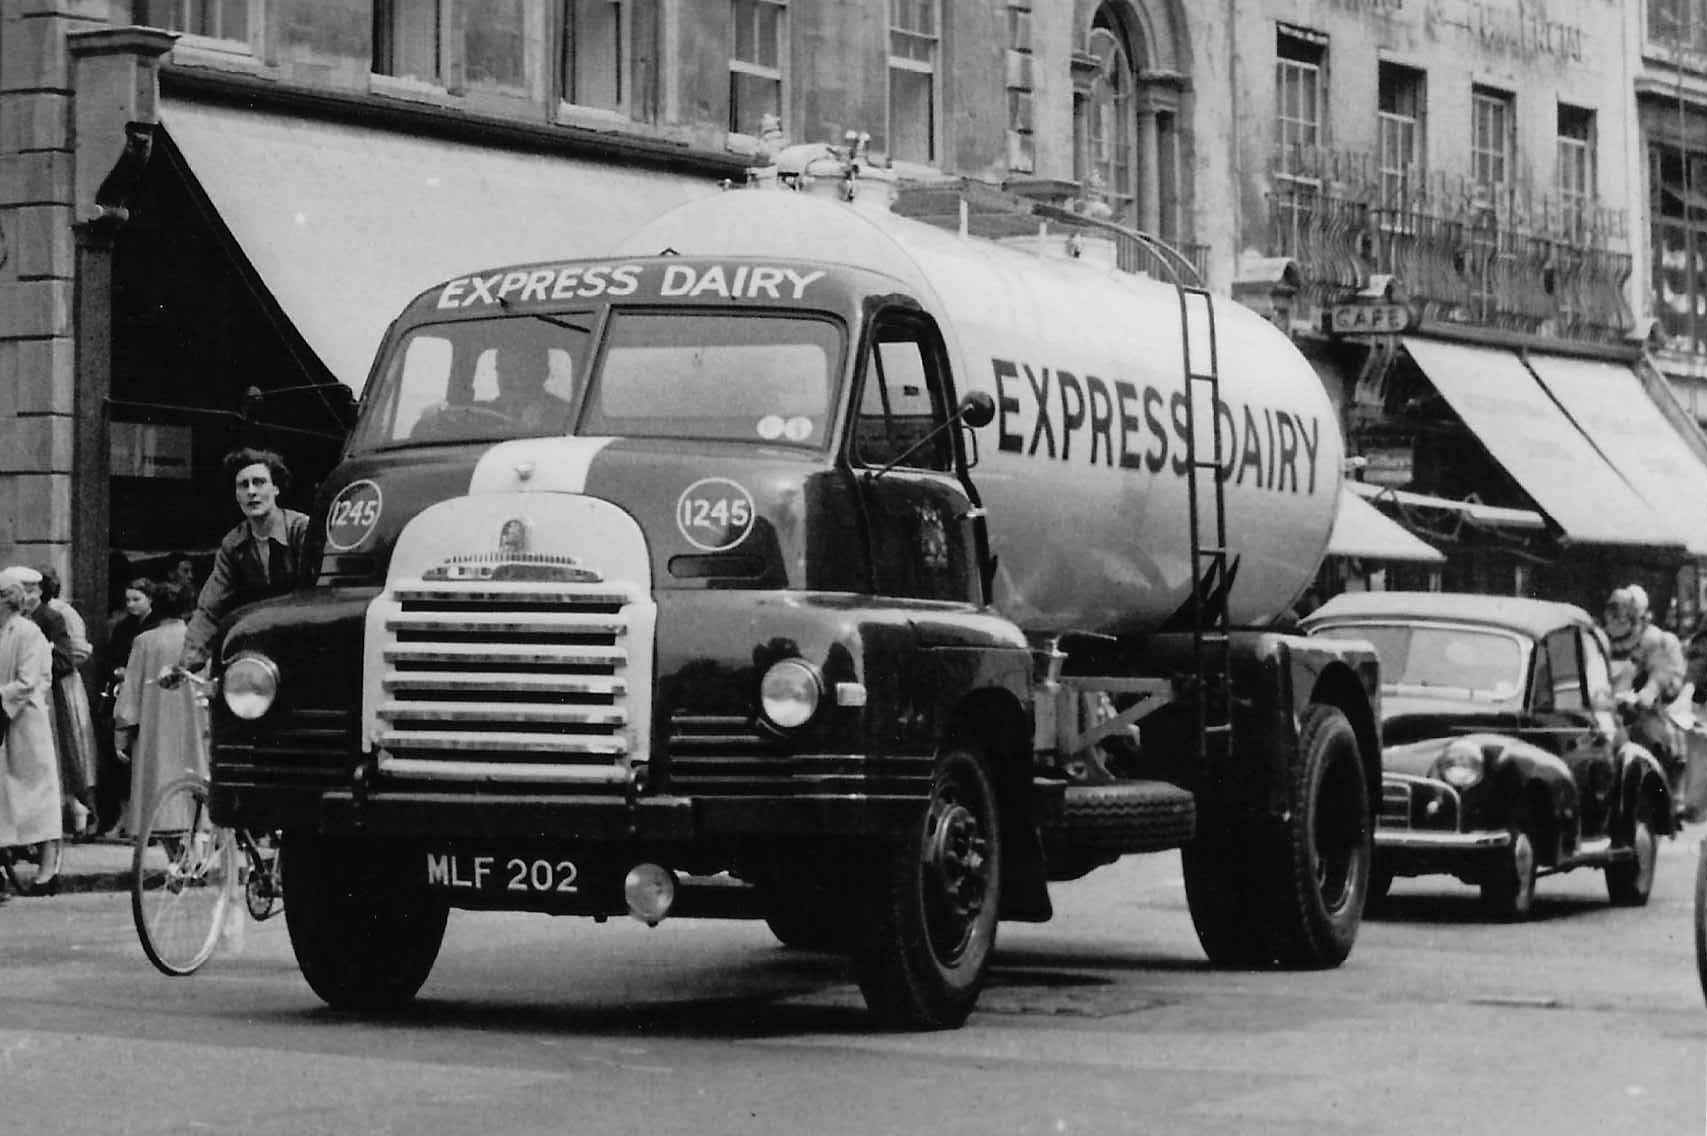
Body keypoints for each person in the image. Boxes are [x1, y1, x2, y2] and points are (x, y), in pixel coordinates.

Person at [177, 448, 310, 675]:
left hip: (304, 641)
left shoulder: (301, 530)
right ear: (236, 495)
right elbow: (211, 607)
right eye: (243, 485)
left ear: (275, 488)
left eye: (259, 483)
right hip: (261, 651)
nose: (251, 491)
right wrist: (186, 663)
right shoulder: (233, 544)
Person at [114, 582, 208, 835]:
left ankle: (173, 855)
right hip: (194, 724)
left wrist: (121, 733)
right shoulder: (198, 643)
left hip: (156, 727)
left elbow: (131, 691)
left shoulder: (145, 642)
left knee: (158, 786)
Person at [12, 566, 96, 839]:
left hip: (49, 693)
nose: (27, 596)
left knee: (56, 755)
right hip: (25, 693)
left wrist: (41, 657)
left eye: (32, 590)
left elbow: (66, 658)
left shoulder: (50, 617)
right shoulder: (15, 619)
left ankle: (74, 812)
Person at [0, 566, 65, 897]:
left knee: (38, 792)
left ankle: (48, 869)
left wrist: (2, 698)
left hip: (26, 721)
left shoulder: (27, 632)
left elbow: (29, 681)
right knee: (5, 795)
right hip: (5, 719)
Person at [1604, 584, 1689, 797]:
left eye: (1625, 613)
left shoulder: (1655, 640)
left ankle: (1665, 797)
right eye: (1614, 611)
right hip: (1607, 709)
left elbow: (1661, 673)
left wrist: (1648, 693)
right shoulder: (1602, 638)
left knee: (1653, 735)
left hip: (1643, 710)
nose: (1619, 618)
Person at [97, 577, 159, 832]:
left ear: (150, 600)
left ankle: (143, 821)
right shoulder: (124, 628)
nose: (131, 605)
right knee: (120, 762)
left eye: (137, 599)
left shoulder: (154, 628)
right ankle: (122, 817)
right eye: (129, 600)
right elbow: (110, 658)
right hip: (124, 693)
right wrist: (117, 671)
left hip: (147, 695)